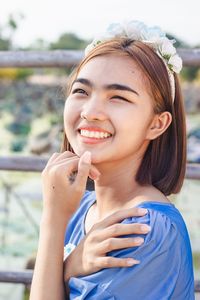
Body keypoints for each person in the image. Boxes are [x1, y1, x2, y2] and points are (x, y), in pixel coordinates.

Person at [30, 20, 195, 300]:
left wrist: (54, 224)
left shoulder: (144, 229)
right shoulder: (79, 205)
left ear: (157, 124)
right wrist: (69, 258)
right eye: (81, 91)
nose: (91, 111)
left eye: (118, 97)